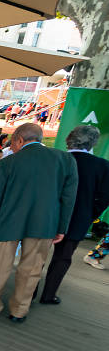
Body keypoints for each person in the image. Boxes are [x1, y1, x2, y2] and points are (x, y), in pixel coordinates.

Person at [0, 123, 78, 323]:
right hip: (45, 224)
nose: (11, 147)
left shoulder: (7, 163)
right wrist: (61, 228)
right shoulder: (66, 160)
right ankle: (19, 311)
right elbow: (68, 198)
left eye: (12, 143)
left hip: (8, 223)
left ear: (19, 140)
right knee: (32, 269)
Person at [39, 126, 109, 303]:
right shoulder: (102, 166)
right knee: (62, 258)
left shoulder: (53, 159)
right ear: (93, 142)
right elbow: (104, 197)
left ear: (68, 139)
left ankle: (28, 293)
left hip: (48, 215)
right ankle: (48, 295)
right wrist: (90, 213)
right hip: (79, 219)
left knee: (37, 256)